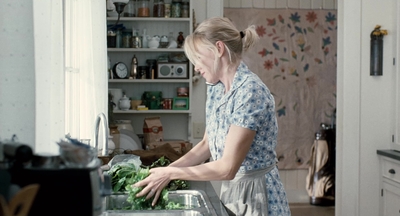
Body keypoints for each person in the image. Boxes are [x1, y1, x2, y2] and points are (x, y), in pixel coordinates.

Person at [133, 17, 291, 216]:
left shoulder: (250, 92)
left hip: (257, 195)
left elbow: (227, 168)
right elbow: (206, 145)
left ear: (218, 49)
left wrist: (170, 173)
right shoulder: (217, 88)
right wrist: (162, 173)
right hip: (232, 191)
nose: (196, 67)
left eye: (198, 58)